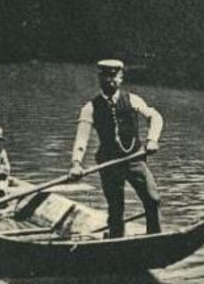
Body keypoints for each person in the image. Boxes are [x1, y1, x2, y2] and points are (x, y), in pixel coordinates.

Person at [69, 58, 163, 239]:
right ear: (100, 79)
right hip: (109, 163)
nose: (110, 81)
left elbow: (155, 117)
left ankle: (155, 239)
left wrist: (152, 140)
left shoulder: (133, 100)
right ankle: (115, 242)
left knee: (153, 199)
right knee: (116, 207)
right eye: (106, 77)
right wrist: (76, 163)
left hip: (134, 159)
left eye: (115, 77)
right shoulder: (90, 108)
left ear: (121, 78)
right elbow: (82, 138)